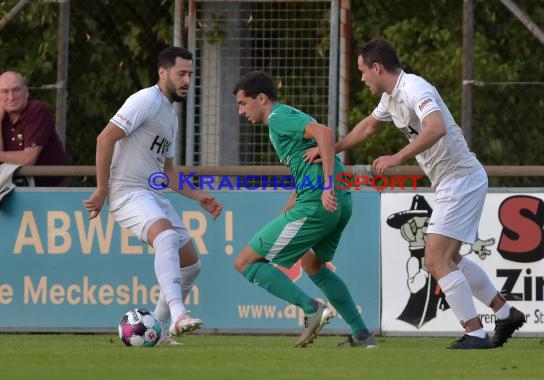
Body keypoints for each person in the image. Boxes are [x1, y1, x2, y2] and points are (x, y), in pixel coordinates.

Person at [305, 39, 525, 349]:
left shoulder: (414, 89)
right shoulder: (390, 98)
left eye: (363, 71)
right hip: (454, 181)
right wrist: (332, 148)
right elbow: (368, 127)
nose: (363, 78)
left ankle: (475, 334)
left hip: (461, 179)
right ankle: (506, 313)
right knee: (450, 259)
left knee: (435, 259)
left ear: (377, 68)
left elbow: (436, 127)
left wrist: (397, 157)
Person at [83, 47, 223, 346]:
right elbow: (105, 137)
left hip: (150, 193)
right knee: (167, 238)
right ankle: (179, 314)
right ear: (163, 73)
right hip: (126, 192)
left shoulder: (170, 116)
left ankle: (157, 330)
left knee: (191, 264)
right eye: (181, 74)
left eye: (190, 74)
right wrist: (102, 188)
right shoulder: (145, 100)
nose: (187, 80)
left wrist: (198, 196)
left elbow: (169, 172)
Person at [232, 70, 376, 348]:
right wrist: (288, 210)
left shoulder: (277, 117)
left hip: (320, 202)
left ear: (261, 98)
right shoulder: (282, 121)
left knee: (244, 262)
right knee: (313, 264)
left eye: (243, 103)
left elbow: (324, 132)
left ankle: (312, 309)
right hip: (339, 200)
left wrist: (326, 186)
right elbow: (306, 167)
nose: (241, 111)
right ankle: (362, 335)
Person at [0, 71, 72, 186]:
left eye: (16, 90)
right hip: (14, 188)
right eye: (4, 91)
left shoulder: (37, 110)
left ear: (26, 93)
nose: (11, 97)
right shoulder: (2, 116)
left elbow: (28, 160)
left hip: (54, 189)